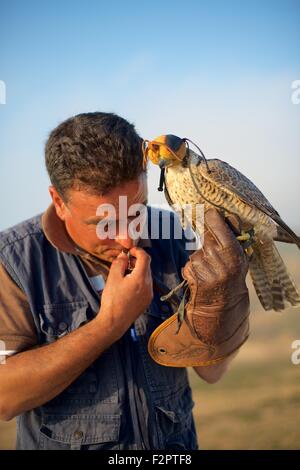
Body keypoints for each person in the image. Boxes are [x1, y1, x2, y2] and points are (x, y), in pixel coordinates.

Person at [0, 112, 250, 450]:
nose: (126, 238)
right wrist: (110, 323)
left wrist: (227, 301)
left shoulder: (176, 235)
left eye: (137, 211)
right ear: (59, 202)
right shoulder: (14, 261)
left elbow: (212, 372)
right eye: (102, 222)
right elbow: (4, 397)